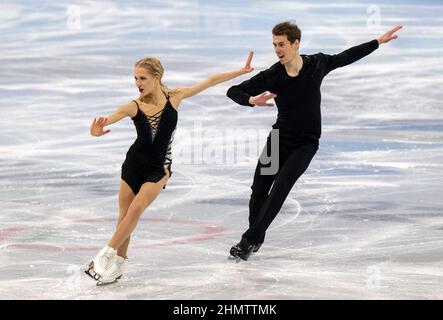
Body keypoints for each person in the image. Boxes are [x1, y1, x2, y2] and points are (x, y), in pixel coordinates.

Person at [226, 21, 402, 261]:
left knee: (280, 189)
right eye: (274, 45)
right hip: (278, 140)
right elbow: (234, 90)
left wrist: (377, 42)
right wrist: (250, 100)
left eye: (282, 44)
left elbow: (345, 57)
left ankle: (248, 241)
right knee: (258, 190)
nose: (277, 50)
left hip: (306, 143)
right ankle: (256, 236)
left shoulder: (317, 64)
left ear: (296, 43)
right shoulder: (273, 75)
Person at [86, 53, 255, 284]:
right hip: (133, 165)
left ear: (157, 78)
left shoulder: (175, 97)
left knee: (136, 210)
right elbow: (111, 118)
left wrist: (240, 72)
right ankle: (118, 264)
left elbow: (210, 81)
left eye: (143, 78)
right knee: (124, 217)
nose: (138, 84)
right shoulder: (134, 106)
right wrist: (96, 131)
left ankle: (104, 255)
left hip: (159, 168)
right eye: (135, 78)